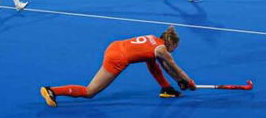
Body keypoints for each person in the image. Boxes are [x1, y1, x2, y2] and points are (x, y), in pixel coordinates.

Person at [40, 26, 195, 106]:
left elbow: (156, 66)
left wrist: (173, 83)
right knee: (90, 92)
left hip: (115, 46)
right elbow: (174, 68)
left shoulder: (153, 39)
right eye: (176, 46)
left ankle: (166, 89)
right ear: (171, 43)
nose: (176, 49)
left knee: (151, 62)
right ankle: (52, 90)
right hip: (117, 59)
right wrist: (189, 82)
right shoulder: (162, 50)